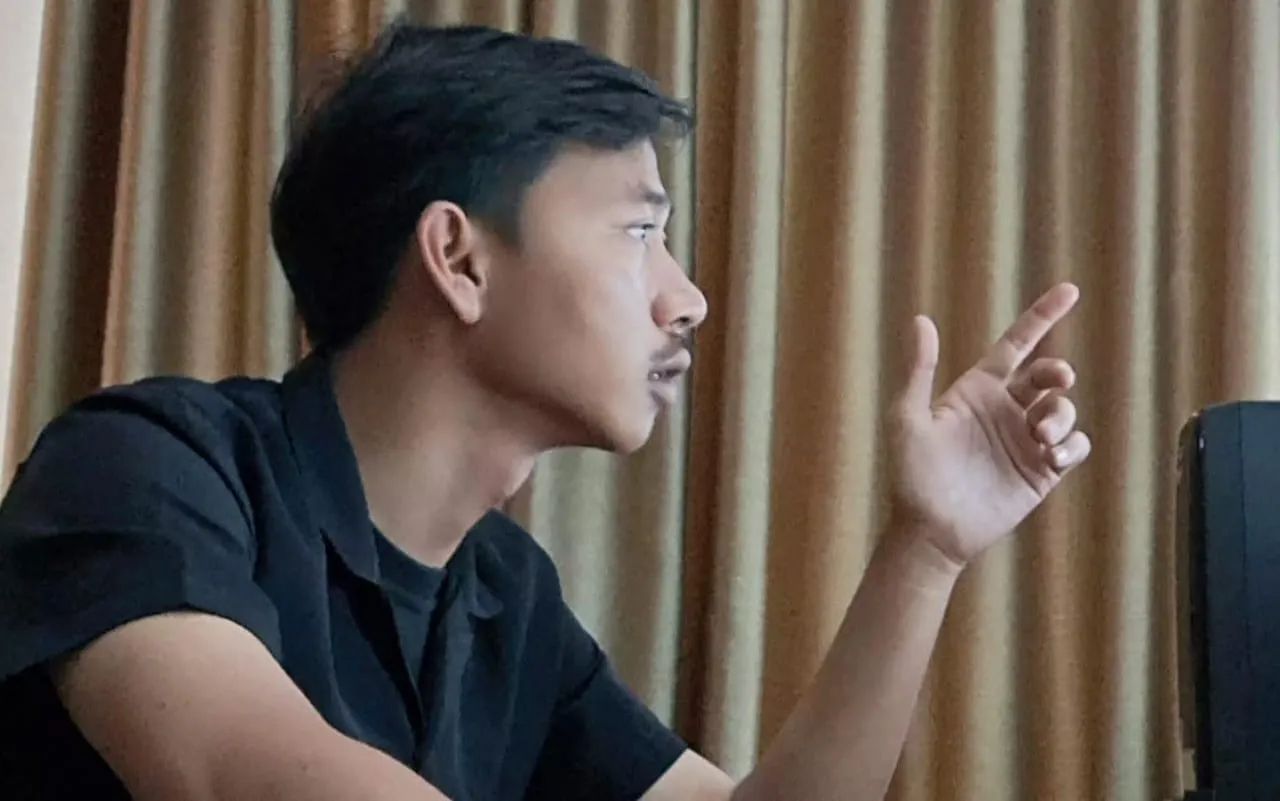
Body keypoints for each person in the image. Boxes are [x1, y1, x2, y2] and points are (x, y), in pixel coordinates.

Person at [0, 18, 1090, 801]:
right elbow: (232, 767)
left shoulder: (505, 598)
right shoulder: (149, 465)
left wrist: (924, 552)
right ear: (459, 258)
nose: (688, 298)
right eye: (638, 233)